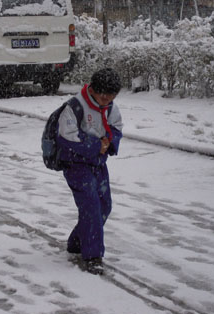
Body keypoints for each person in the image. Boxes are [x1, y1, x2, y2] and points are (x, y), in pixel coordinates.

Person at [57, 68, 123, 275]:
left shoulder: (111, 108)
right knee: (91, 206)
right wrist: (95, 145)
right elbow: (66, 136)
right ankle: (93, 255)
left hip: (98, 164)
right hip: (76, 164)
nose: (105, 98)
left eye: (110, 95)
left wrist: (109, 142)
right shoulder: (75, 106)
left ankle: (77, 242)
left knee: (104, 206)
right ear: (92, 89)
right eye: (102, 93)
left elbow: (116, 128)